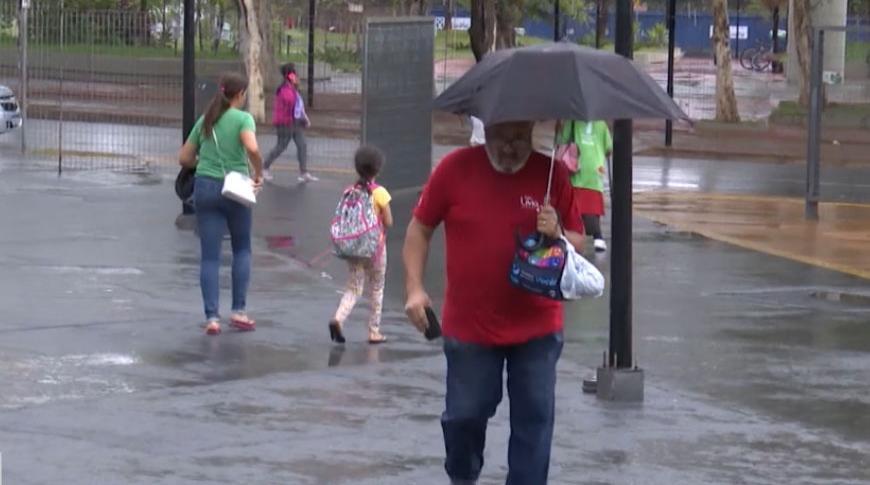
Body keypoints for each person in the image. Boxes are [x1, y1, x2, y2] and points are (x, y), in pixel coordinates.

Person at [403, 121, 584, 485]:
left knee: (535, 420)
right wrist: (414, 288)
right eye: (501, 137)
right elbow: (419, 229)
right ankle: (463, 474)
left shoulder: (552, 176)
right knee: (465, 416)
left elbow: (580, 242)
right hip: (471, 326)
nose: (509, 147)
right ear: (485, 130)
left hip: (538, 326)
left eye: (519, 138)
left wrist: (559, 234)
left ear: (532, 130)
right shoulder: (454, 169)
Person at [178, 73, 264, 336]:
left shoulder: (206, 120)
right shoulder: (243, 119)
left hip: (205, 187)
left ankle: (212, 318)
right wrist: (258, 172)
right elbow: (251, 147)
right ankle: (238, 311)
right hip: (235, 187)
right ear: (240, 95)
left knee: (210, 256)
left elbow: (184, 158)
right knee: (241, 250)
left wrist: (204, 164)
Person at [329, 146, 393, 345]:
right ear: (378, 170)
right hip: (375, 249)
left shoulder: (350, 191)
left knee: (354, 288)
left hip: (354, 248)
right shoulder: (380, 193)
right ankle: (374, 331)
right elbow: (389, 222)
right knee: (377, 288)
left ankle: (338, 318)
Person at [558, 119, 612, 252]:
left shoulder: (572, 122)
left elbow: (562, 142)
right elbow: (609, 149)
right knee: (593, 207)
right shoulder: (601, 124)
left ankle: (573, 235)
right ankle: (597, 238)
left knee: (574, 207)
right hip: (595, 171)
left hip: (577, 169)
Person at [263, 63, 316, 183]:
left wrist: (304, 119)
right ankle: (264, 168)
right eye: (295, 75)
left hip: (295, 123)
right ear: (291, 77)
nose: (297, 78)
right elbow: (291, 105)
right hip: (285, 123)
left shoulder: (292, 90)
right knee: (281, 146)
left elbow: (299, 107)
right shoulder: (285, 90)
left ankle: (304, 172)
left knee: (302, 145)